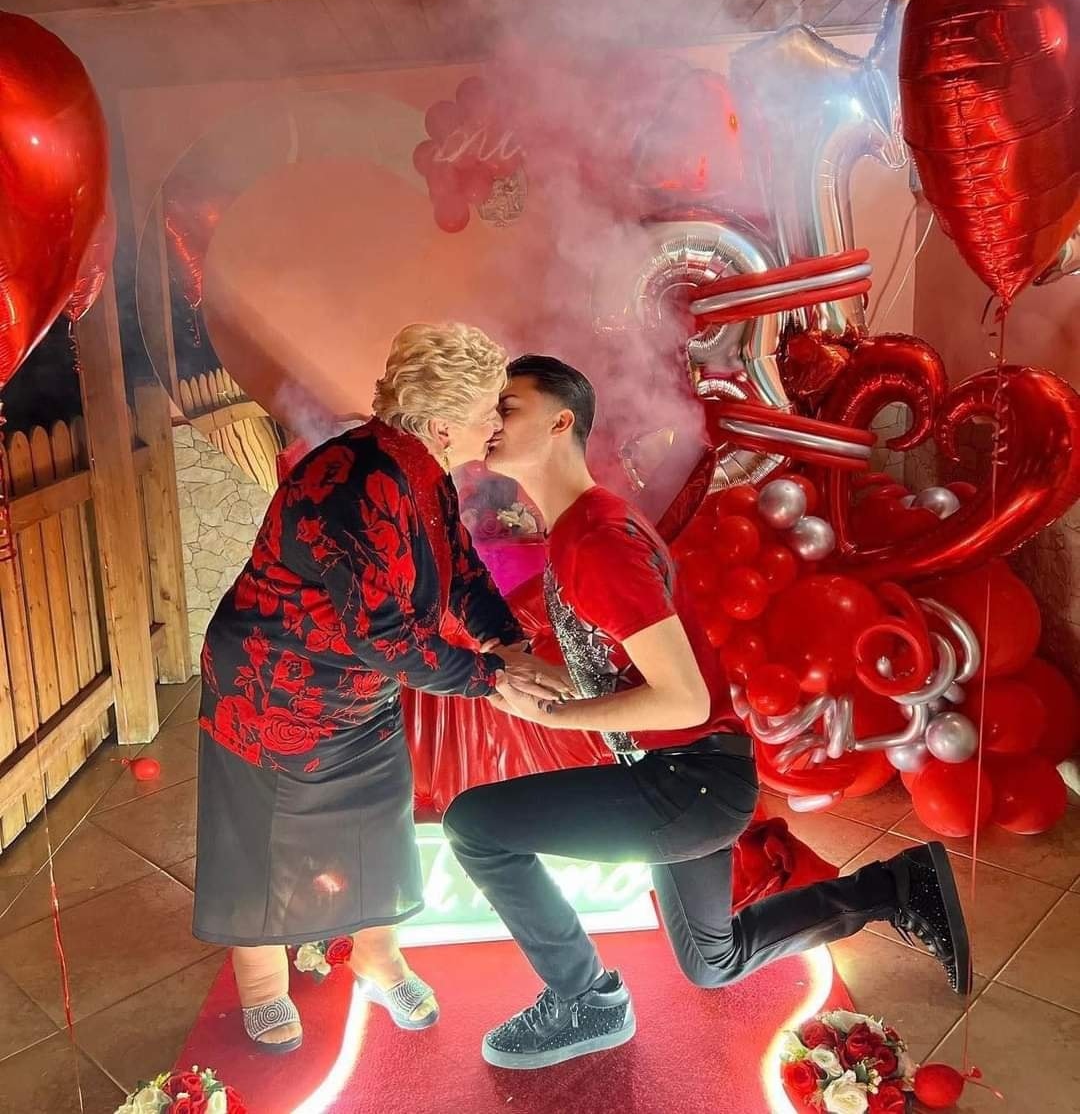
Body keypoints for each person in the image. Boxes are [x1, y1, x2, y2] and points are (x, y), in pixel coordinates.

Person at [442, 354, 972, 1070]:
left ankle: (584, 1000)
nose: (491, 423)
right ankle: (897, 887)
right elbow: (627, 671)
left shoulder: (596, 542)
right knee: (712, 962)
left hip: (684, 783)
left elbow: (684, 698)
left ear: (562, 422)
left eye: (509, 407)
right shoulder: (578, 527)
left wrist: (556, 717)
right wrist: (547, 680)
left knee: (475, 826)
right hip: (691, 776)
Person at [193, 324, 570, 1053]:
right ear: (442, 422)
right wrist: (493, 680)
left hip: (358, 691)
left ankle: (377, 956)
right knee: (261, 837)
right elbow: (385, 636)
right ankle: (263, 982)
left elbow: (461, 570)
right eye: (489, 410)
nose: (497, 424)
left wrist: (509, 645)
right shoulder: (361, 479)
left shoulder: (423, 468)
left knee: (377, 826)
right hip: (271, 687)